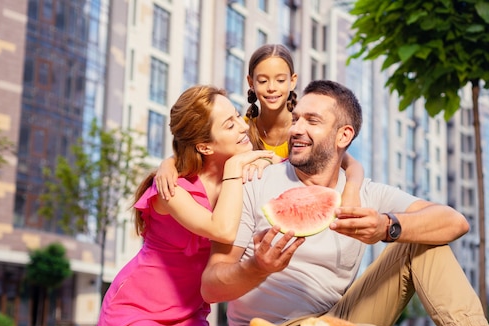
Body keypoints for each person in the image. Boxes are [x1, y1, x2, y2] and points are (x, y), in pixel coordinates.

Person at [201, 80, 489, 326]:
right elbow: (211, 284)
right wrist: (257, 268)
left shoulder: (367, 192)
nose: (296, 128)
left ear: (343, 135)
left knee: (422, 238)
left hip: (336, 320)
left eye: (312, 121)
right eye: (296, 118)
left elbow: (454, 221)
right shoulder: (255, 180)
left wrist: (388, 227)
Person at [89, 85, 273, 326]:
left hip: (190, 318)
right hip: (137, 313)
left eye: (237, 116)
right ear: (205, 146)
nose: (242, 127)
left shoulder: (243, 168)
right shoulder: (170, 189)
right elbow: (222, 230)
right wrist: (235, 167)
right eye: (229, 124)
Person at [154, 44, 364, 208]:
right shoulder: (241, 130)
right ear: (251, 83)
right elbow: (204, 148)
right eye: (263, 81)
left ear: (292, 81)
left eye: (280, 80)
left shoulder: (303, 130)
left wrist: (351, 192)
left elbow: (352, 165)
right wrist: (168, 165)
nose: (272, 88)